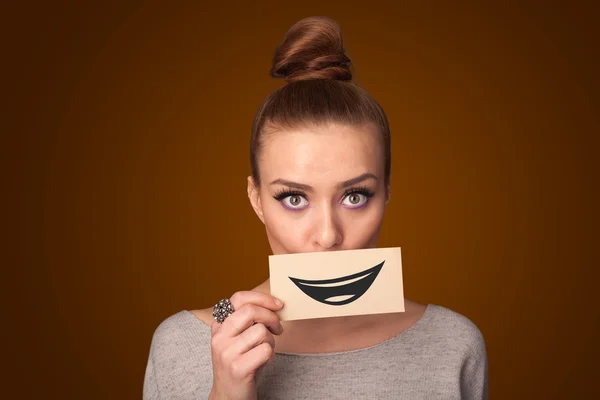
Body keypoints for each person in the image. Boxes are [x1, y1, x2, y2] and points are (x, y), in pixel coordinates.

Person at [143, 16, 488, 400]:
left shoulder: (453, 346)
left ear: (387, 192)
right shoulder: (182, 346)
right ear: (256, 199)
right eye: (294, 198)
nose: (327, 235)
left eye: (355, 196)